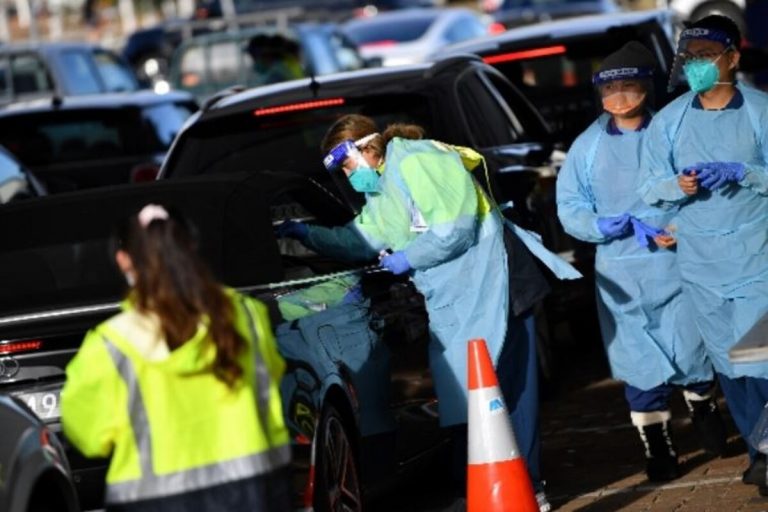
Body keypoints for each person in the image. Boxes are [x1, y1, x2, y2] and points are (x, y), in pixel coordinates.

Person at [276, 114, 581, 511]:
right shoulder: (383, 187)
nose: (348, 176)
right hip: (459, 296)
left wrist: (410, 257)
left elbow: (456, 228)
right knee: (470, 396)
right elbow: (361, 239)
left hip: (499, 281)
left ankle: (529, 487)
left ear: (366, 149)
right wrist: (307, 235)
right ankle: (480, 488)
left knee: (509, 392)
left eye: (347, 164)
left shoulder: (419, 160)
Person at [557, 41, 727, 482]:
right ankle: (657, 447)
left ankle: (704, 406)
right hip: (622, 272)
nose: (619, 97)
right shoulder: (586, 148)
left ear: (646, 87)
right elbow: (570, 207)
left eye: (628, 86)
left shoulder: (673, 131)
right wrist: (601, 225)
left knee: (691, 347)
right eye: (609, 89)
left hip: (676, 263)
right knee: (637, 362)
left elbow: (701, 187)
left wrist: (682, 228)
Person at [60, 203, 292, 512]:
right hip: (254, 491)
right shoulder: (246, 316)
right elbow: (272, 378)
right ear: (190, 246)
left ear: (123, 260)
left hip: (152, 502)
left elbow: (89, 435)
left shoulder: (111, 344)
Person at [639, 14, 768, 494]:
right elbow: (648, 188)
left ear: (732, 57)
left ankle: (766, 455)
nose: (696, 65)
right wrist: (678, 185)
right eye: (688, 58)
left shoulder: (760, 111)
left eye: (706, 56)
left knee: (761, 362)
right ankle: (760, 453)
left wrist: (745, 172)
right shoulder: (669, 122)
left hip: (757, 259)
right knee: (732, 368)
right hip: (701, 267)